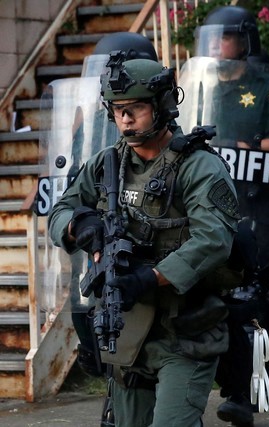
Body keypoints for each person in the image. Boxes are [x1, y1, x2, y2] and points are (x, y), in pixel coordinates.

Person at [48, 57, 238, 426]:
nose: (125, 120)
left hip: (185, 331)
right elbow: (60, 211)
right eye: (118, 110)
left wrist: (148, 279)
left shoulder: (198, 166)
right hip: (128, 332)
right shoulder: (107, 164)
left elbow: (213, 239)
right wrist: (80, 224)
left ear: (162, 105)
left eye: (135, 109)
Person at [190, 6, 269, 425]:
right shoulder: (204, 86)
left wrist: (244, 148)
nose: (218, 45)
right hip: (213, 207)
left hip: (261, 206)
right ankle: (259, 379)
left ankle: (266, 380)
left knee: (254, 297)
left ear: (246, 40)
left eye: (227, 37)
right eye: (213, 38)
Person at [69, 31, 161, 380]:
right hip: (99, 241)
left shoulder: (159, 129)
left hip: (149, 256)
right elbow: (76, 180)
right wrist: (79, 221)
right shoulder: (98, 121)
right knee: (89, 323)